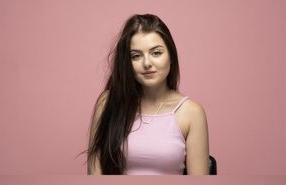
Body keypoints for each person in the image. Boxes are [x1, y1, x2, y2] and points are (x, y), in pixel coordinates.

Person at [87, 14, 210, 175]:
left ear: (171, 56)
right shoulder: (108, 102)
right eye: (136, 56)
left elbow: (198, 183)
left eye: (156, 53)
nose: (147, 63)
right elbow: (94, 171)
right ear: (127, 63)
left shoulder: (192, 113)